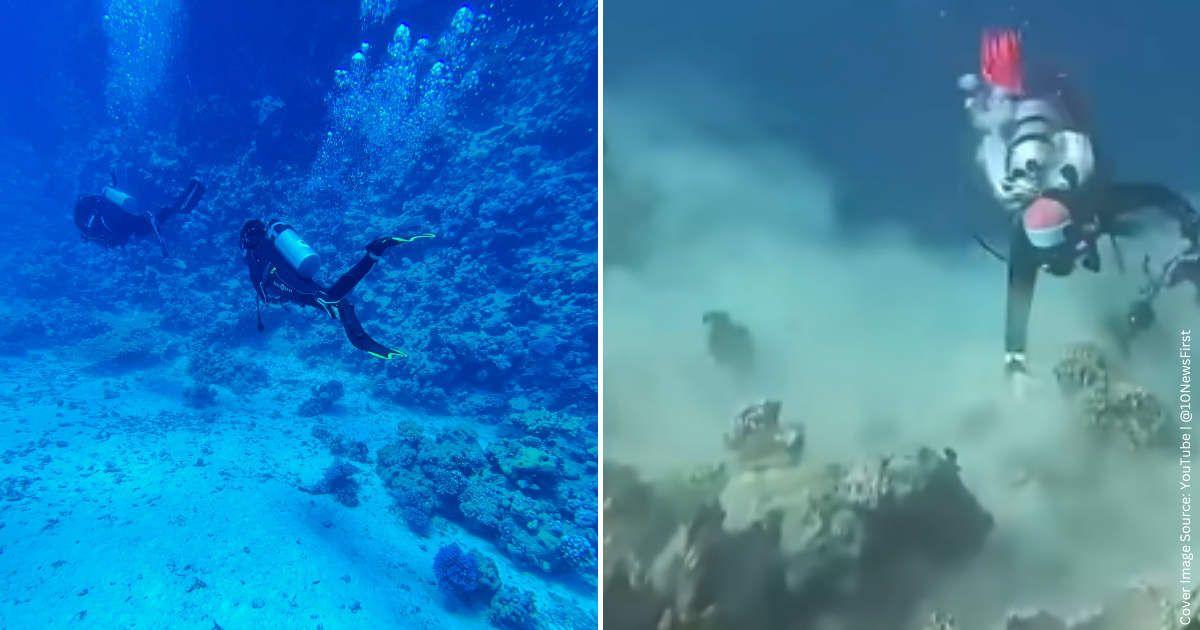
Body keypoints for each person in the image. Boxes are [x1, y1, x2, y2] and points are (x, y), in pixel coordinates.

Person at [960, 29, 1200, 379]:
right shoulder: (1029, 238)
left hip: (1058, 126)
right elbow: (1158, 196)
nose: (1063, 262)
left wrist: (1015, 360)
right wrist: (1014, 361)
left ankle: (1013, 75)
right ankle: (1013, 75)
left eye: (1063, 254)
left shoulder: (1087, 204)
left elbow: (1019, 293)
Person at [239, 219, 434, 360]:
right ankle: (374, 251)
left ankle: (362, 341)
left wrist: (273, 298)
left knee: (338, 304)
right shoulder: (274, 243)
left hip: (287, 282)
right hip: (299, 277)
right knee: (334, 295)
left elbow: (261, 289)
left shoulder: (253, 254)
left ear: (246, 239)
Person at [74, 176, 205, 256]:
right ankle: (178, 204)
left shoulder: (90, 226)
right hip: (121, 217)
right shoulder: (93, 217)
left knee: (160, 217)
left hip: (122, 221)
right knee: (152, 221)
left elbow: (118, 235)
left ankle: (192, 191)